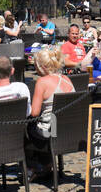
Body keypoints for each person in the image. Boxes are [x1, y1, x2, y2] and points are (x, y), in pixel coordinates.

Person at [26, 47, 73, 177]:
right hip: (69, 130)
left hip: (52, 131)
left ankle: (34, 166)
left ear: (41, 66)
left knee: (27, 128)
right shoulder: (66, 79)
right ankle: (46, 163)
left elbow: (34, 113)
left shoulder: (42, 82)